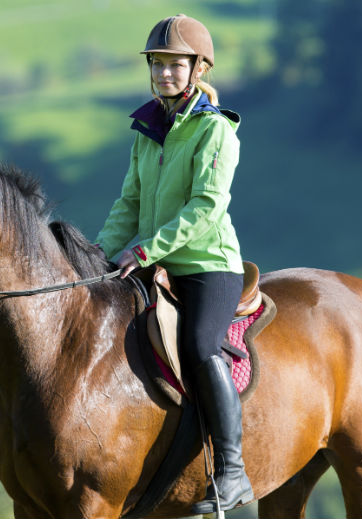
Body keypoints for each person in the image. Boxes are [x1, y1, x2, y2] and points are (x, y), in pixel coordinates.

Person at [93, 13, 253, 514]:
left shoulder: (216, 132)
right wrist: (97, 259)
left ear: (198, 69)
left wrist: (142, 250)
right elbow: (129, 204)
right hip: (154, 260)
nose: (164, 73)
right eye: (157, 64)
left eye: (174, 65)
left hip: (207, 264)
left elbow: (205, 209)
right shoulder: (148, 129)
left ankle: (232, 471)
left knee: (202, 345)